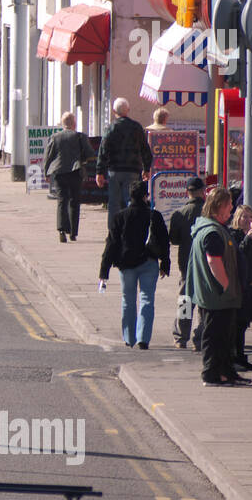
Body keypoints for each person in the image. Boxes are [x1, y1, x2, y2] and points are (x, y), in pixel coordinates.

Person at [186, 186, 247, 386]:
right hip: (217, 297)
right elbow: (214, 262)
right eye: (229, 204)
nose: (231, 208)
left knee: (225, 337)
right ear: (219, 206)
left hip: (219, 297)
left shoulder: (213, 229)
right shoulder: (212, 233)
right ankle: (212, 374)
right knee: (215, 337)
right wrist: (227, 285)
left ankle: (226, 372)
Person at [99, 180, 171, 349]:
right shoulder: (154, 215)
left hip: (126, 265)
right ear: (146, 196)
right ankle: (143, 339)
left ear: (130, 196)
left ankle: (129, 338)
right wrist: (165, 263)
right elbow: (164, 241)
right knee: (147, 299)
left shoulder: (120, 216)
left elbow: (111, 243)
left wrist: (104, 270)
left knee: (127, 300)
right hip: (148, 262)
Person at [95, 98, 153, 231]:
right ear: (128, 110)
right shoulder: (136, 127)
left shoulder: (110, 128)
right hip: (133, 170)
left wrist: (99, 172)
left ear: (114, 111)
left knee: (114, 204)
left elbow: (103, 150)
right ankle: (129, 230)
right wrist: (146, 168)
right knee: (131, 201)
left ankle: (113, 231)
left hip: (114, 170)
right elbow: (145, 149)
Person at [168, 176, 207, 350]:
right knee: (204, 302)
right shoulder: (208, 211)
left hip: (186, 263)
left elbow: (174, 239)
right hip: (206, 263)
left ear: (187, 192)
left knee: (185, 300)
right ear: (202, 191)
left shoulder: (180, 214)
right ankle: (200, 337)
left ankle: (181, 337)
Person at [43, 112, 88, 242]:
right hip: (75, 171)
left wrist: (46, 172)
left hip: (59, 172)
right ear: (74, 123)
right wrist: (83, 160)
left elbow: (48, 156)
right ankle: (73, 232)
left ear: (62, 124)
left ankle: (62, 230)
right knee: (74, 201)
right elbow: (89, 153)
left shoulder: (55, 137)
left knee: (62, 200)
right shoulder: (80, 137)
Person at [230, 203, 252, 371]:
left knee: (244, 322)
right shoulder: (234, 234)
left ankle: (241, 356)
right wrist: (248, 238)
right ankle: (235, 356)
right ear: (238, 218)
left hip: (250, 282)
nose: (247, 220)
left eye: (250, 217)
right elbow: (240, 253)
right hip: (239, 283)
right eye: (244, 216)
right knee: (237, 322)